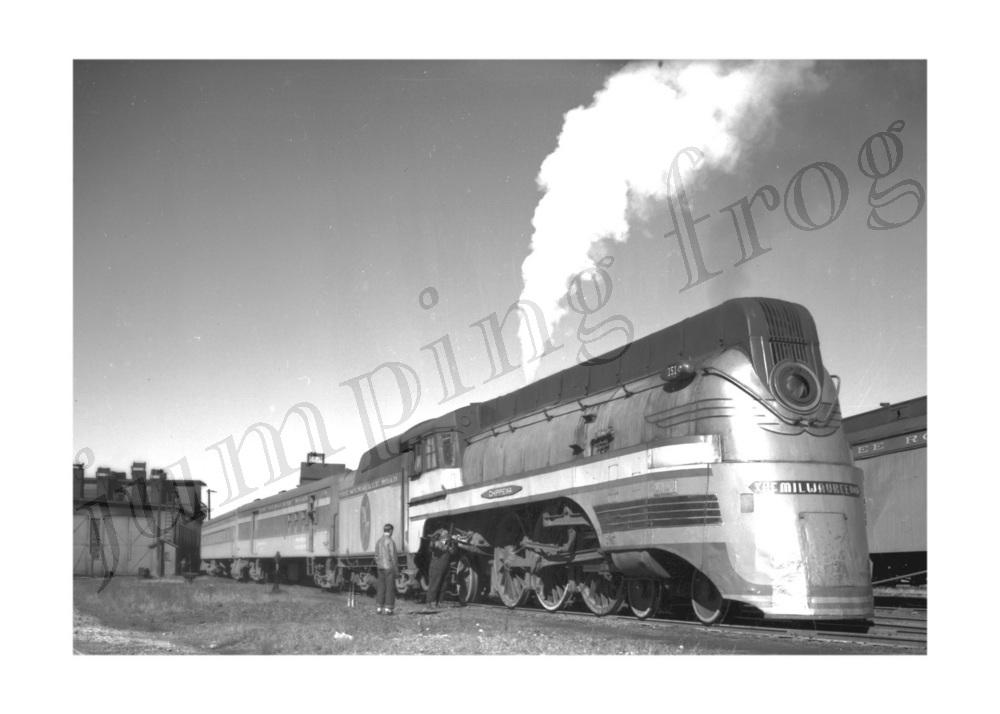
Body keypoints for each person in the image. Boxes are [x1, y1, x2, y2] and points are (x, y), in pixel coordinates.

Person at [425, 527, 457, 609]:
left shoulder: (449, 544)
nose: (447, 536)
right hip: (437, 566)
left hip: (446, 566)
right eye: (445, 535)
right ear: (441, 536)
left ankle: (439, 602)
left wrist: (453, 544)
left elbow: (453, 552)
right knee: (434, 584)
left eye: (447, 535)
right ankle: (429, 603)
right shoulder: (437, 543)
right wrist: (433, 539)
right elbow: (432, 546)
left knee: (443, 585)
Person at [374, 523, 398, 615]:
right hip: (389, 567)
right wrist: (396, 570)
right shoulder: (390, 541)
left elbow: (376, 556)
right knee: (389, 588)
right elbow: (394, 557)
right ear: (391, 531)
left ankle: (379, 608)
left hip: (380, 567)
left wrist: (379, 563)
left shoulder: (378, 541)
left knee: (380, 587)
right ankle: (388, 609)